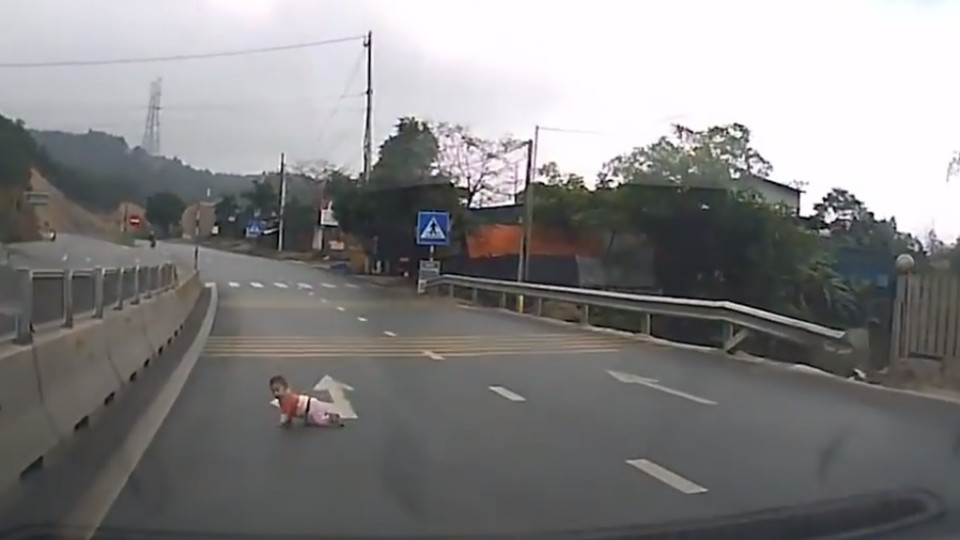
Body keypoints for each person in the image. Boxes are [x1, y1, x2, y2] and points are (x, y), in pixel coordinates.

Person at [269, 375, 344, 428]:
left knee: (320, 421)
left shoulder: (288, 399)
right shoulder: (282, 400)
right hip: (309, 406)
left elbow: (288, 412)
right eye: (273, 391)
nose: (275, 393)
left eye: (277, 390)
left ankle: (332, 417)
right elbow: (284, 412)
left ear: (285, 389)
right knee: (311, 422)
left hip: (310, 406)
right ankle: (329, 414)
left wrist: (284, 422)